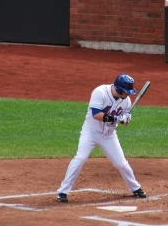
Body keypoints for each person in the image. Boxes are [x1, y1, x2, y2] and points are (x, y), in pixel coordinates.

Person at [56, 73, 147, 203]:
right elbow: (96, 114)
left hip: (109, 135)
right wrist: (117, 118)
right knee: (80, 158)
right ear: (120, 88)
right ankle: (63, 191)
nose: (128, 95)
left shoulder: (126, 101)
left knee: (121, 163)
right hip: (90, 132)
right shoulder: (100, 92)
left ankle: (135, 188)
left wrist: (126, 120)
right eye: (126, 91)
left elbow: (125, 123)